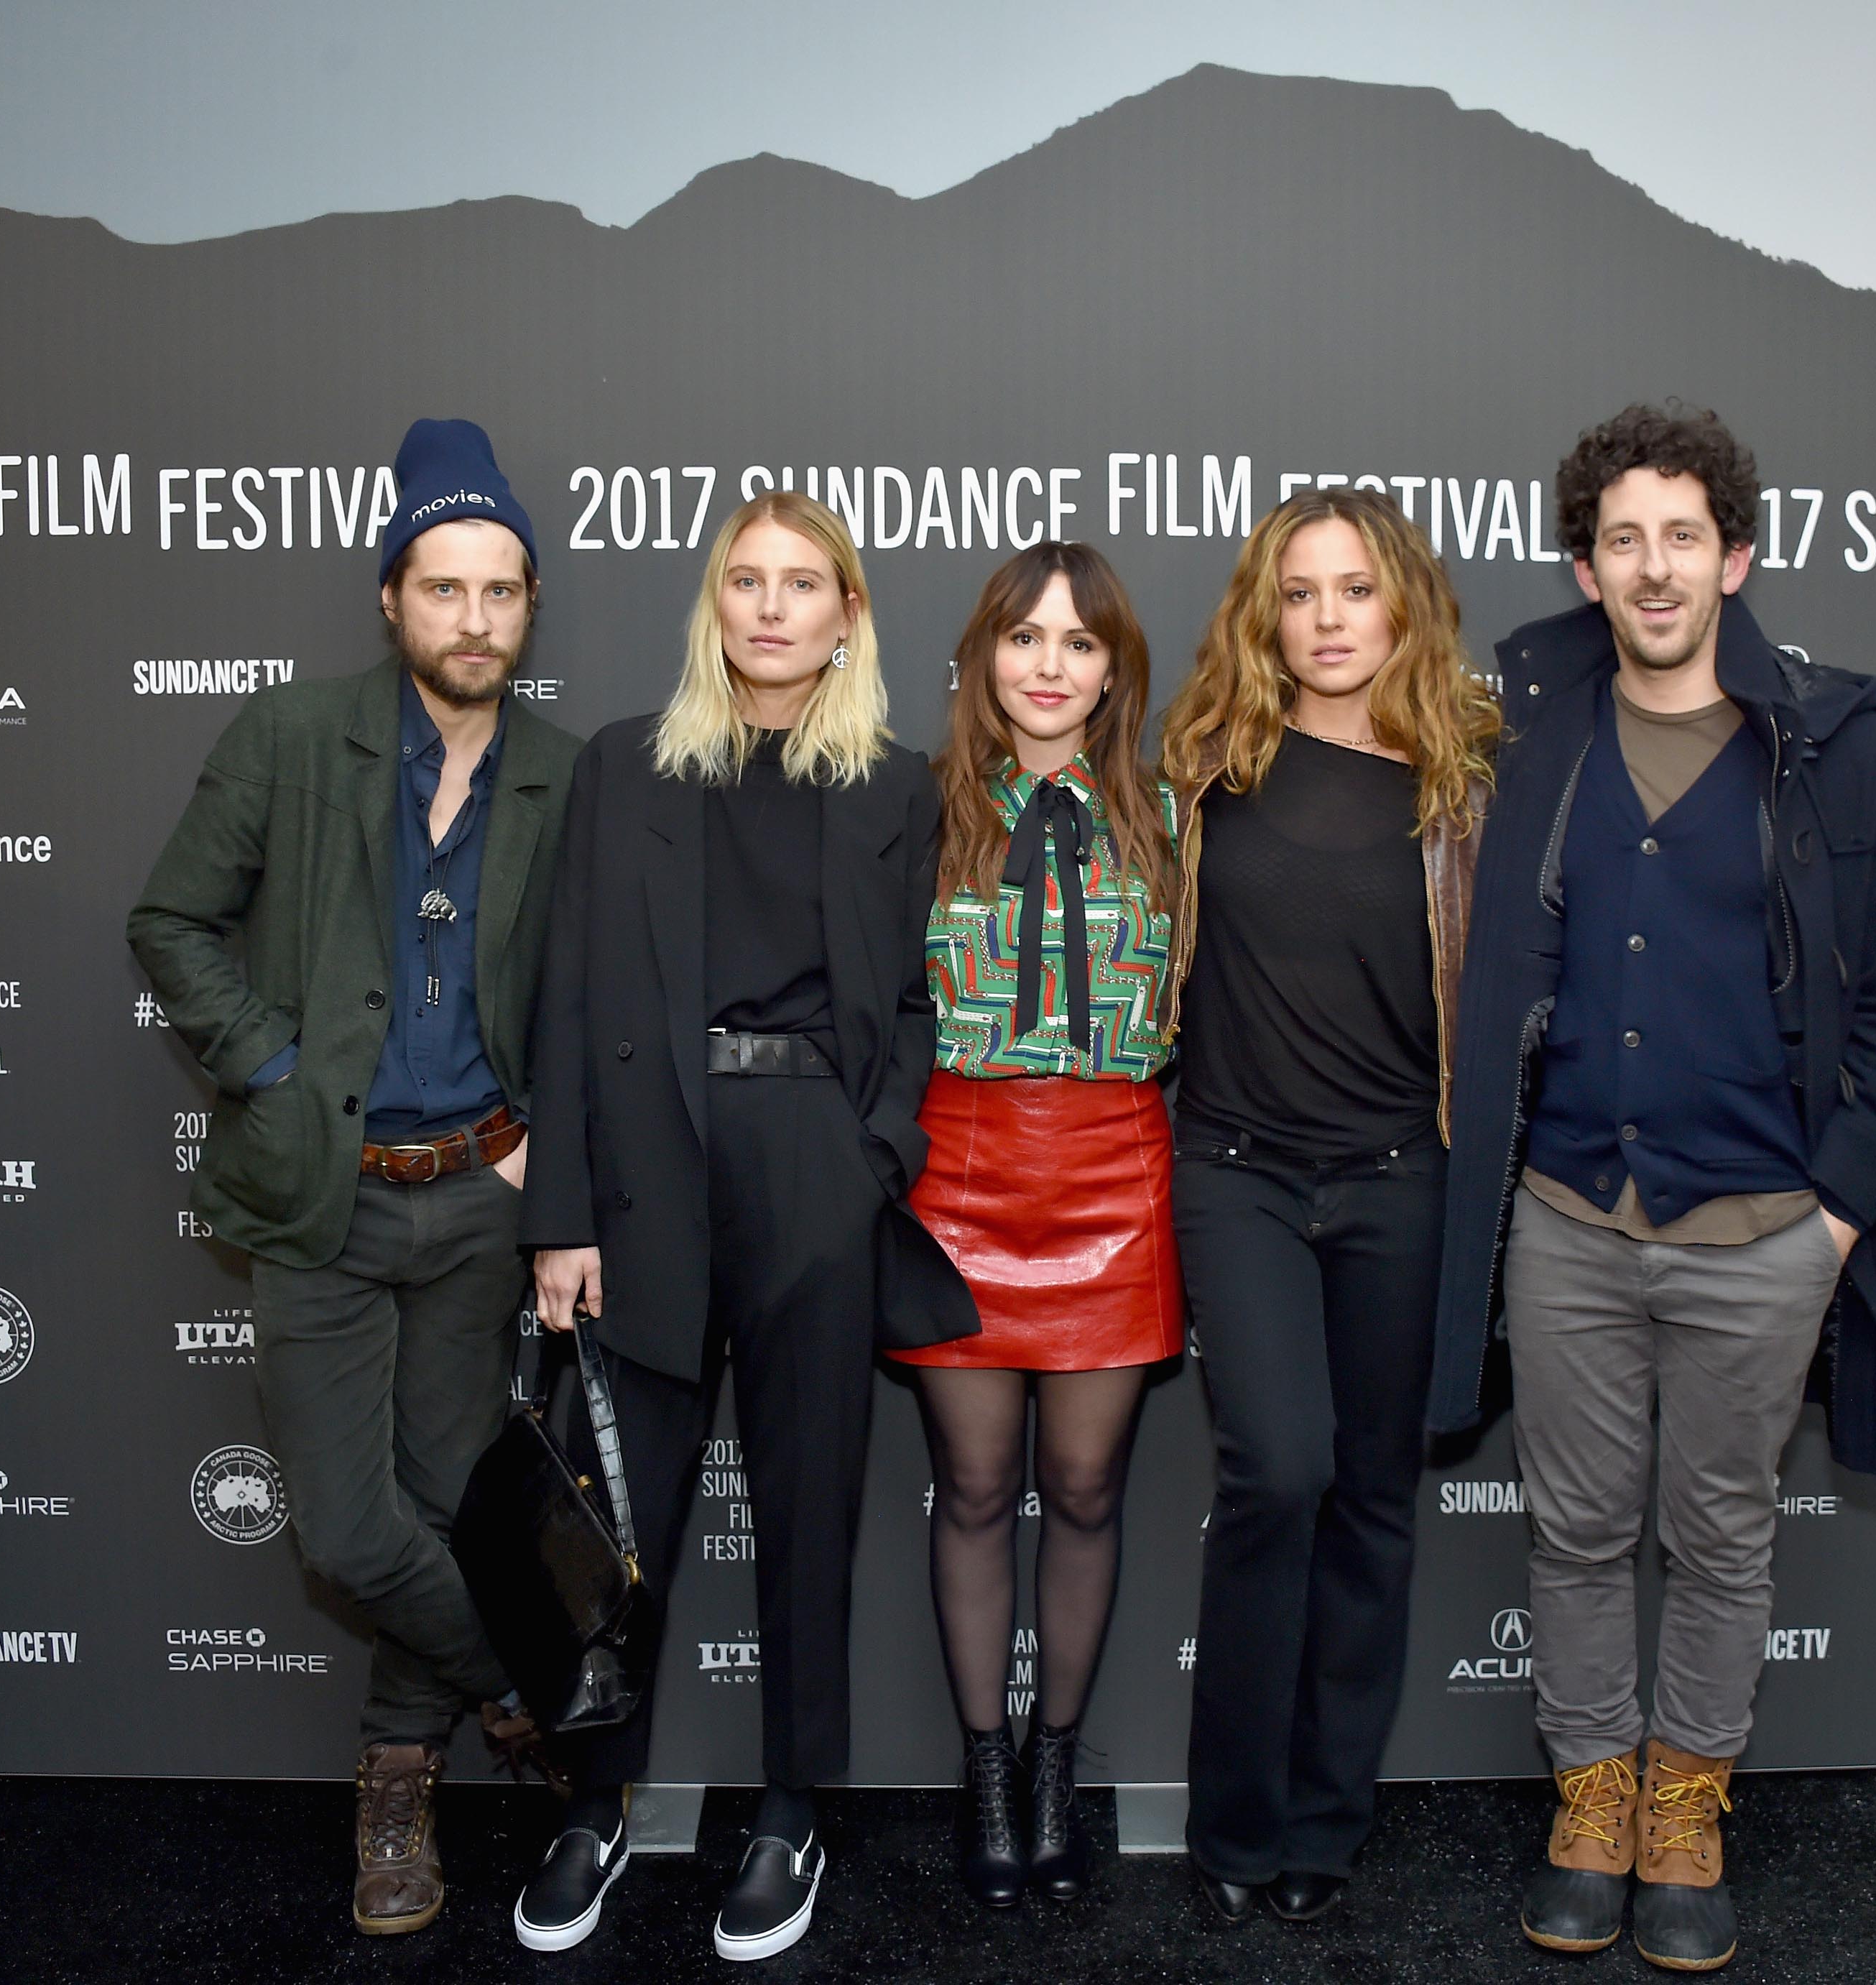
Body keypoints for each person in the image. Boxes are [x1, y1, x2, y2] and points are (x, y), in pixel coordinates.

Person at [1430, 405, 1876, 1973]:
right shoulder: (1525, 729)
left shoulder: (1846, 746)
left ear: (1736, 555)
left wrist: (1836, 1216)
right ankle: (1593, 1793)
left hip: (1762, 1235)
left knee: (1723, 1540)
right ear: (1584, 569)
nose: (1653, 569)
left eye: (1681, 537)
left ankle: (1688, 1802)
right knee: (1578, 1533)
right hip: (1571, 1219)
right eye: (1621, 540)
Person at [128, 418, 578, 1936]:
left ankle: (399, 1776)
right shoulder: (284, 740)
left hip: (476, 1201)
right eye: (444, 587)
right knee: (344, 1527)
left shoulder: (567, 779)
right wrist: (271, 1069)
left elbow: (590, 1001)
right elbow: (169, 923)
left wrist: (539, 1152)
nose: (473, 619)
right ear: (392, 598)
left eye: (500, 590)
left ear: (528, 606)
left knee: (447, 1505)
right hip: (319, 1195)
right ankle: (539, 1685)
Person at [511, 489, 975, 1962]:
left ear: (848, 613)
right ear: (715, 605)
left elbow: (914, 1003)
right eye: (746, 582)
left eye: (804, 584)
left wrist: (873, 1158)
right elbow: (571, 998)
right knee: (621, 1516)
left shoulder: (899, 786)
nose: (772, 608)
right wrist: (563, 1216)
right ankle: (595, 1800)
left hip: (813, 1167)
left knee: (810, 1504)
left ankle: (792, 1807)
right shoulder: (626, 765)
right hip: (649, 1165)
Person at [1159, 487, 1496, 1925]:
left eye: (1355, 591)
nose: (1328, 620)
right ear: (1265, 613)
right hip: (1234, 1172)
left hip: (1399, 1185)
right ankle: (1231, 1821)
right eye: (1299, 595)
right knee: (1277, 1474)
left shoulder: (1467, 781)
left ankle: (1323, 1818)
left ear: (1402, 603)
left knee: (1370, 1501)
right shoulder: (1205, 761)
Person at [889, 543, 1183, 1908]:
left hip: (1116, 1173)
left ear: (1114, 667)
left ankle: (1058, 1758)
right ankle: (986, 1763)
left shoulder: (1173, 811)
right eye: (1024, 637)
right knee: (970, 1489)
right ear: (982, 657)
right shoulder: (921, 805)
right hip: (959, 1171)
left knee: (1083, 1489)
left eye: (1078, 641)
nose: (1049, 663)